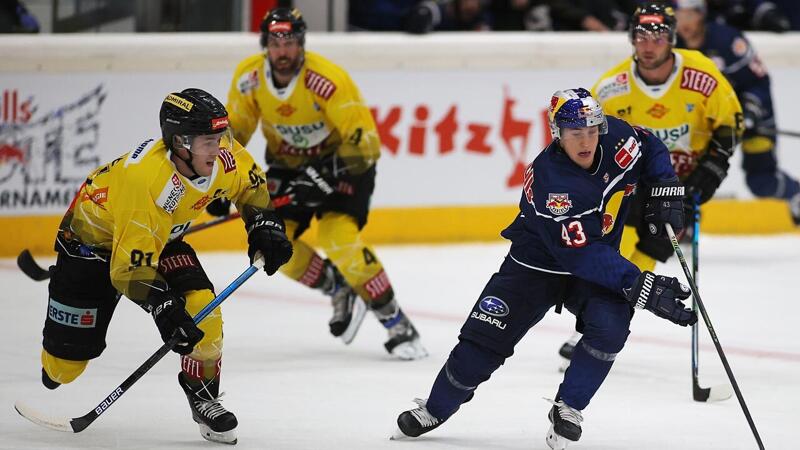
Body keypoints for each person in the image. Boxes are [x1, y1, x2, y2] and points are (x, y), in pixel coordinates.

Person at [392, 88, 697, 449]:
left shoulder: (616, 136)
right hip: (535, 266)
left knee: (611, 327)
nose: (586, 141)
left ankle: (568, 408)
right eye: (574, 133)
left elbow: (648, 143)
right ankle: (436, 407)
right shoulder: (555, 183)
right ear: (557, 133)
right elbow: (578, 254)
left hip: (593, 262)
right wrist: (640, 285)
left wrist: (665, 186)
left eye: (591, 131)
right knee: (482, 343)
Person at [38, 88, 293, 444]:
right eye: (208, 141)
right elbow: (128, 270)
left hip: (159, 242)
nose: (219, 149)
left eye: (221, 137)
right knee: (62, 369)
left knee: (203, 311)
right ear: (180, 143)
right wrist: (162, 305)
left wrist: (264, 225)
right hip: (91, 250)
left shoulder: (225, 157)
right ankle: (59, 348)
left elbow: (252, 189)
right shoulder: (147, 181)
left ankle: (203, 397)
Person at [207, 7, 427, 360]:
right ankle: (339, 289)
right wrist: (219, 180)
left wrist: (325, 175)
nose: (283, 51)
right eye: (276, 43)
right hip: (289, 168)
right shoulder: (249, 78)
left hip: (343, 168)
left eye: (290, 42)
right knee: (275, 245)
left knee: (337, 238)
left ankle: (395, 320)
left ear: (302, 44)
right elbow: (235, 136)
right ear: (265, 45)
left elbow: (366, 143)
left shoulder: (326, 79)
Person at [556, 3, 743, 369]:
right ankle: (593, 317)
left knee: (657, 240)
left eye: (657, 37)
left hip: (686, 181)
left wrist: (714, 166)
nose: (649, 45)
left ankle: (601, 319)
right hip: (634, 183)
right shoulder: (611, 89)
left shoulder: (701, 73)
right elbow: (590, 142)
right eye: (641, 36)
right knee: (611, 244)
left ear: (672, 39)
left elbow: (730, 122)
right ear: (631, 39)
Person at [674, 0, 800, 223]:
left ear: (701, 15)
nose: (683, 22)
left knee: (762, 182)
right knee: (684, 170)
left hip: (752, 120)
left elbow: (758, 82)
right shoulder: (674, 47)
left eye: (689, 15)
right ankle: (681, 219)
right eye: (679, 15)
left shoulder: (729, 41)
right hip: (707, 124)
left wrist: (749, 113)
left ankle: (796, 193)